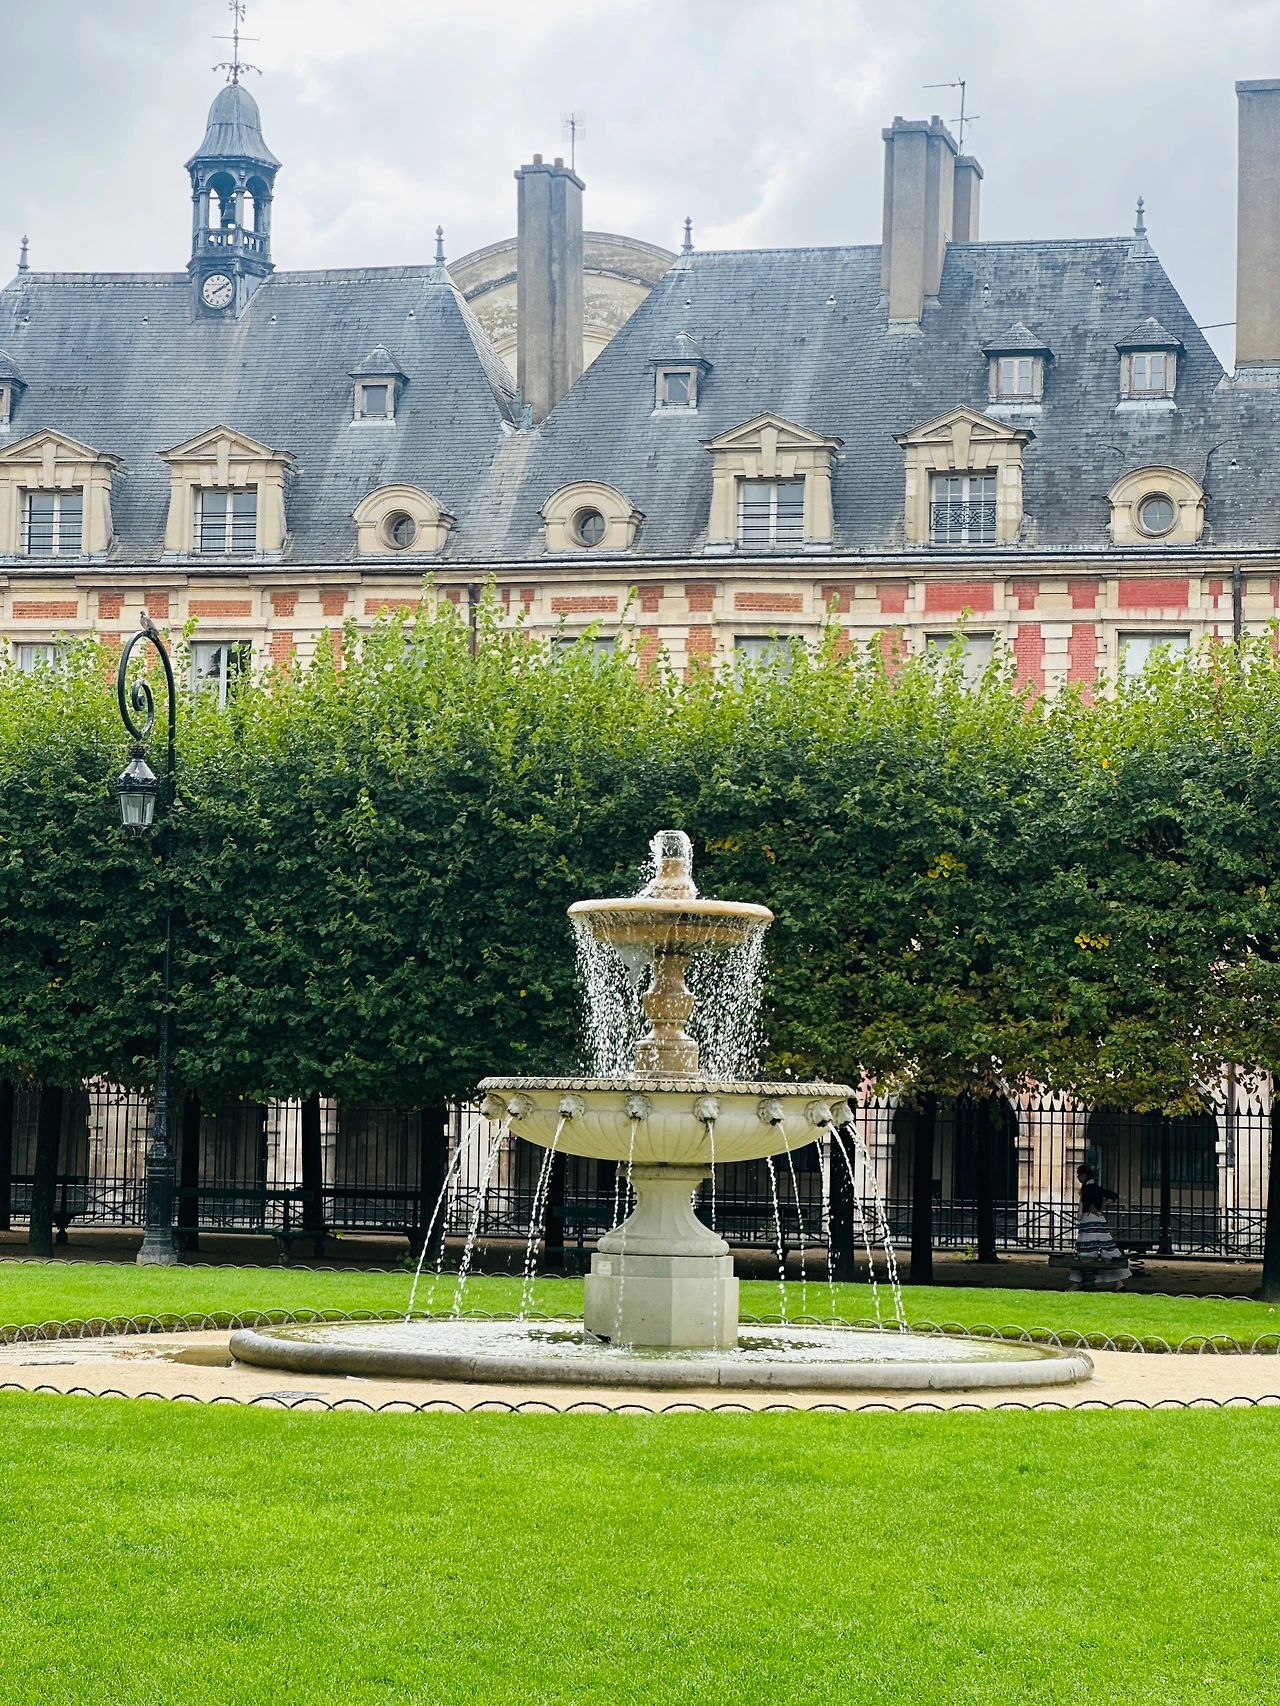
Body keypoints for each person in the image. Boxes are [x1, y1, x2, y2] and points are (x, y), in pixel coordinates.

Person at [1068, 1163, 1132, 1291]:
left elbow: (1087, 1206)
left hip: (1089, 1221)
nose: (1078, 1177)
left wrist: (1093, 1207)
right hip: (1099, 1221)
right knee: (1106, 1251)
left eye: (1079, 1175)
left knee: (1085, 1252)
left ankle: (1077, 1282)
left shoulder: (1087, 1189)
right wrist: (1103, 1206)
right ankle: (1119, 1283)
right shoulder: (1097, 1188)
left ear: (1084, 1175)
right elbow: (1113, 1196)